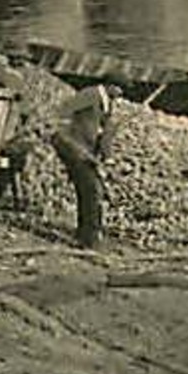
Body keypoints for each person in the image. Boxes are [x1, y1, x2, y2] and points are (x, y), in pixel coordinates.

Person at [49, 83, 121, 249]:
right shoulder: (90, 94)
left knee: (92, 188)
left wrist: (107, 156)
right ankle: (89, 238)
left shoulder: (108, 104)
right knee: (90, 187)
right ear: (109, 86)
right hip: (71, 146)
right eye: (118, 88)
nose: (120, 93)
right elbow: (63, 111)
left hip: (86, 151)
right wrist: (65, 134)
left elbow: (105, 133)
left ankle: (86, 233)